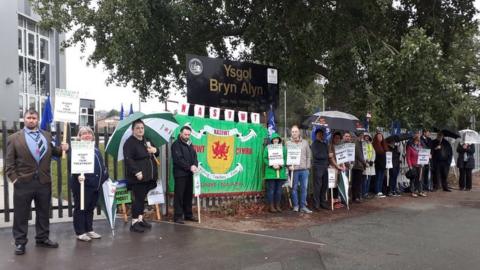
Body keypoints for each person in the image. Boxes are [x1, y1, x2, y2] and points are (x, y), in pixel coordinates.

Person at [5, 109, 69, 255]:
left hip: (43, 182)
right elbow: (9, 164)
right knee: (21, 214)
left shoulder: (46, 136)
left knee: (43, 213)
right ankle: (20, 242)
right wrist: (15, 180)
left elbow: (56, 152)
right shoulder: (14, 138)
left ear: (38, 120)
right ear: (24, 119)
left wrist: (64, 149)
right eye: (29, 117)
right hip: (23, 183)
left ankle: (42, 238)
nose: (31, 120)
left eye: (34, 118)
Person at [70, 127, 109, 241]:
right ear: (79, 137)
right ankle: (80, 232)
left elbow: (100, 164)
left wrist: (105, 175)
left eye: (89, 133)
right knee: (81, 207)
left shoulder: (95, 149)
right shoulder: (76, 149)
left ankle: (89, 229)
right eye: (84, 134)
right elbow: (71, 164)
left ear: (92, 136)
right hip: (83, 184)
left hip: (95, 185)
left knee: (90, 207)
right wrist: (78, 175)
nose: (87, 135)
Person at [123, 119, 159, 232]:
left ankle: (140, 219)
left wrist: (154, 150)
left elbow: (156, 153)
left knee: (142, 198)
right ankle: (134, 223)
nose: (140, 130)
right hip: (138, 176)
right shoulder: (129, 143)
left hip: (149, 175)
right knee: (138, 199)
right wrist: (137, 172)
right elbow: (129, 159)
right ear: (133, 130)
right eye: (137, 128)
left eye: (142, 128)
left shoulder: (146, 140)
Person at [171, 126, 199, 224]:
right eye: (185, 134)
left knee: (188, 195)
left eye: (188, 135)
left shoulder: (190, 144)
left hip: (189, 174)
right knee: (179, 195)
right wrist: (189, 167)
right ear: (181, 133)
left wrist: (195, 165)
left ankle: (188, 215)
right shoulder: (176, 145)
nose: (187, 136)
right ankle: (178, 216)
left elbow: (195, 156)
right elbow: (179, 160)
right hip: (180, 174)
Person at [286, 125, 312, 213]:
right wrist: (288, 165)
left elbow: (309, 155)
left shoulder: (305, 142)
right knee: (294, 188)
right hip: (293, 170)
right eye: (292, 132)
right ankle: (296, 206)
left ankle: (303, 206)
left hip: (304, 169)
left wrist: (307, 167)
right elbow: (285, 156)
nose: (294, 133)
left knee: (304, 188)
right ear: (291, 133)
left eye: (296, 131)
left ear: (299, 132)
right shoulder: (288, 143)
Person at [263, 133, 287, 213]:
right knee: (271, 190)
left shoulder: (283, 148)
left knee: (279, 191)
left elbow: (285, 158)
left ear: (279, 140)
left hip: (280, 172)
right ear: (272, 140)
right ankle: (271, 206)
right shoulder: (268, 148)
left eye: (277, 139)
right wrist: (272, 164)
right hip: (271, 172)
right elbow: (265, 158)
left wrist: (280, 165)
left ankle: (277, 205)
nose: (276, 140)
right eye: (274, 139)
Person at [310, 128, 330, 210]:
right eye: (318, 134)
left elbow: (327, 154)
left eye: (321, 134)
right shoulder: (314, 144)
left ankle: (322, 202)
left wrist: (328, 159)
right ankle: (316, 204)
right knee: (317, 186)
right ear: (316, 135)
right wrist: (327, 156)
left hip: (325, 167)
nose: (320, 135)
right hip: (317, 167)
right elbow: (316, 155)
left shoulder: (325, 144)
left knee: (324, 186)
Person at [328, 131, 346, 208]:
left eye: (339, 138)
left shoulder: (340, 146)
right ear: (333, 138)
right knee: (333, 185)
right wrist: (338, 166)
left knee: (338, 184)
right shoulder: (330, 146)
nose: (337, 139)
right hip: (332, 168)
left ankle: (337, 201)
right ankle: (333, 201)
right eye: (336, 138)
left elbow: (342, 157)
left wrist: (343, 165)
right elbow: (331, 159)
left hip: (339, 168)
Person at [406, 132, 427, 197]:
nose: (417, 142)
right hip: (413, 165)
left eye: (418, 141)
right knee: (413, 179)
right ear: (414, 141)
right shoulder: (410, 147)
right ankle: (413, 191)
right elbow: (408, 157)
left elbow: (424, 154)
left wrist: (428, 156)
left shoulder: (421, 147)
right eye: (416, 141)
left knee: (420, 179)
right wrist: (410, 166)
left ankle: (420, 191)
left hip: (420, 165)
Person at [352, 132, 367, 203]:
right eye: (362, 135)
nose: (363, 137)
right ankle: (356, 197)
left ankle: (356, 196)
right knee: (357, 182)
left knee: (357, 182)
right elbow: (358, 154)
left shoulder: (358, 142)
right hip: (357, 165)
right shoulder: (357, 142)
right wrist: (364, 163)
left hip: (358, 165)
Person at [372, 132, 388, 198]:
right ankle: (377, 191)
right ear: (376, 137)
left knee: (381, 178)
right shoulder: (374, 145)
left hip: (383, 164)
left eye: (381, 136)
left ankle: (380, 190)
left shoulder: (383, 145)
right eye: (379, 136)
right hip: (378, 164)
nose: (380, 138)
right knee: (378, 178)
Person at [362, 133, 376, 199]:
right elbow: (363, 153)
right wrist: (366, 160)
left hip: (371, 164)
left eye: (368, 136)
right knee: (365, 179)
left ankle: (366, 192)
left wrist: (372, 160)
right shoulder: (362, 144)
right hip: (365, 163)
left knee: (369, 179)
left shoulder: (371, 144)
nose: (367, 137)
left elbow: (373, 153)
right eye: (365, 136)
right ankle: (364, 193)